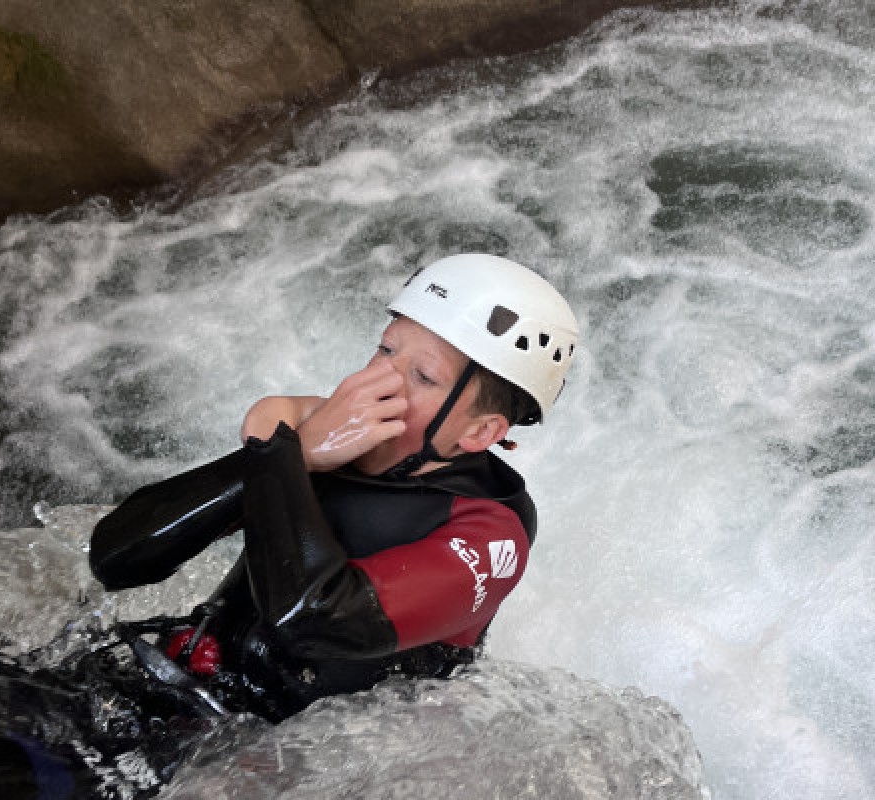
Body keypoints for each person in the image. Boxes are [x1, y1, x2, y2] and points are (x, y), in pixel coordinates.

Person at [89, 252, 580, 721]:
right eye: (386, 349)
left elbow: (312, 621)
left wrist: (282, 453)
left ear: (481, 433)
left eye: (423, 376)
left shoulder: (493, 530)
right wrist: (297, 450)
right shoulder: (328, 443)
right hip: (175, 696)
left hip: (264, 760)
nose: (373, 381)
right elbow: (117, 557)